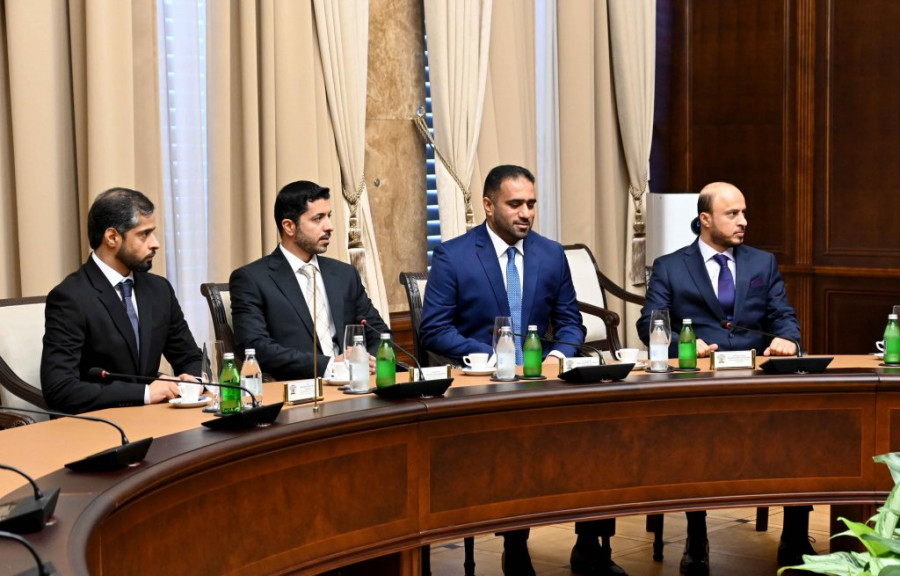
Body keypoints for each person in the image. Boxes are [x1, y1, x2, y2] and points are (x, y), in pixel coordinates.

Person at [420, 165, 626, 576]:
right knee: (515, 445)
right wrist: (492, 357)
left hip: (543, 378)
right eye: (515, 204)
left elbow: (570, 322)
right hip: (484, 386)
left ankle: (590, 546)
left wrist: (558, 355)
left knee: (599, 432)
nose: (526, 213)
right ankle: (515, 547)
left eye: (531, 204)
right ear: (488, 205)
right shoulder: (453, 255)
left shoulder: (550, 253)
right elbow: (434, 329)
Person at [637, 182, 812, 574]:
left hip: (757, 378)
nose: (743, 221)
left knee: (801, 428)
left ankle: (795, 535)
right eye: (732, 214)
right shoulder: (670, 266)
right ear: (705, 219)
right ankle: (696, 538)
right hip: (698, 383)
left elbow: (783, 314)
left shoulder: (762, 263)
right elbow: (649, 322)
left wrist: (787, 338)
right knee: (694, 443)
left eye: (744, 213)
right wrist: (684, 344)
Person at [41, 188, 202, 414]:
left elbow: (190, 357)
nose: (155, 243)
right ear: (112, 238)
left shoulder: (159, 289)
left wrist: (193, 381)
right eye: (144, 234)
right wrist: (144, 393)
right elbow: (59, 389)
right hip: (100, 424)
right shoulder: (70, 297)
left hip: (156, 419)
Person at [229, 180, 389, 381]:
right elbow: (255, 347)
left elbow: (380, 333)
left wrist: (367, 360)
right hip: (297, 389)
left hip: (357, 384)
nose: (329, 227)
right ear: (289, 226)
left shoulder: (344, 274)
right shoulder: (252, 279)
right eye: (317, 218)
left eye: (329, 216)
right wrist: (330, 366)